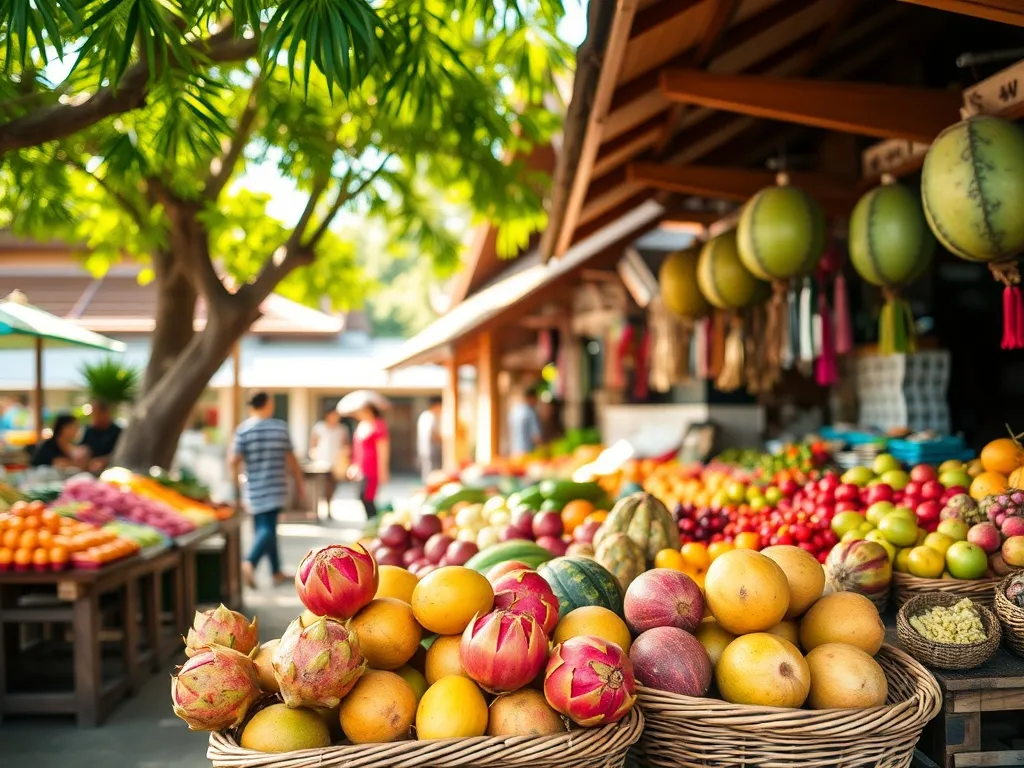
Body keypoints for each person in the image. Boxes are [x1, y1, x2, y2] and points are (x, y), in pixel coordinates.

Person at [231, 392, 305, 588]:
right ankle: (250, 562)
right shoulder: (280, 428)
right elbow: (292, 460)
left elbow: (233, 461)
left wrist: (235, 485)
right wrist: (299, 482)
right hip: (275, 487)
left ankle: (276, 572)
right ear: (268, 404)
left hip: (254, 488)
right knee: (268, 530)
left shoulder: (243, 430)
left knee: (265, 529)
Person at [348, 403, 389, 519]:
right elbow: (357, 449)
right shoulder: (361, 426)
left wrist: (383, 471)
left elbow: (383, 449)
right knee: (361, 496)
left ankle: (373, 521)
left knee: (368, 497)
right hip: (361, 469)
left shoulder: (378, 425)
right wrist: (354, 465)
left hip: (372, 468)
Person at [309, 407, 350, 505]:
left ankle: (329, 506)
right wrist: (314, 456)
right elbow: (313, 445)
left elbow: (345, 445)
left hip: (336, 463)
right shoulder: (319, 428)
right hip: (322, 462)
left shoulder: (342, 429)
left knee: (332, 486)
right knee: (321, 486)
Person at [79, 400, 122, 474]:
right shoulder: (89, 431)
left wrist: (104, 460)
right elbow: (82, 448)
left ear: (106, 413)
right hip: (91, 471)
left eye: (97, 414)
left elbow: (121, 454)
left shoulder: (118, 432)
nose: (94, 417)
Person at [508, 386, 542, 456]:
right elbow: (536, 437)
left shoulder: (514, 411)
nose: (537, 401)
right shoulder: (530, 413)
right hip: (527, 452)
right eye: (536, 398)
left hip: (514, 451)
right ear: (530, 398)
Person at [416, 398, 443, 480]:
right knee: (431, 472)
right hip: (431, 449)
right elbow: (433, 433)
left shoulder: (423, 416)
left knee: (426, 470)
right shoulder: (431, 417)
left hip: (423, 448)